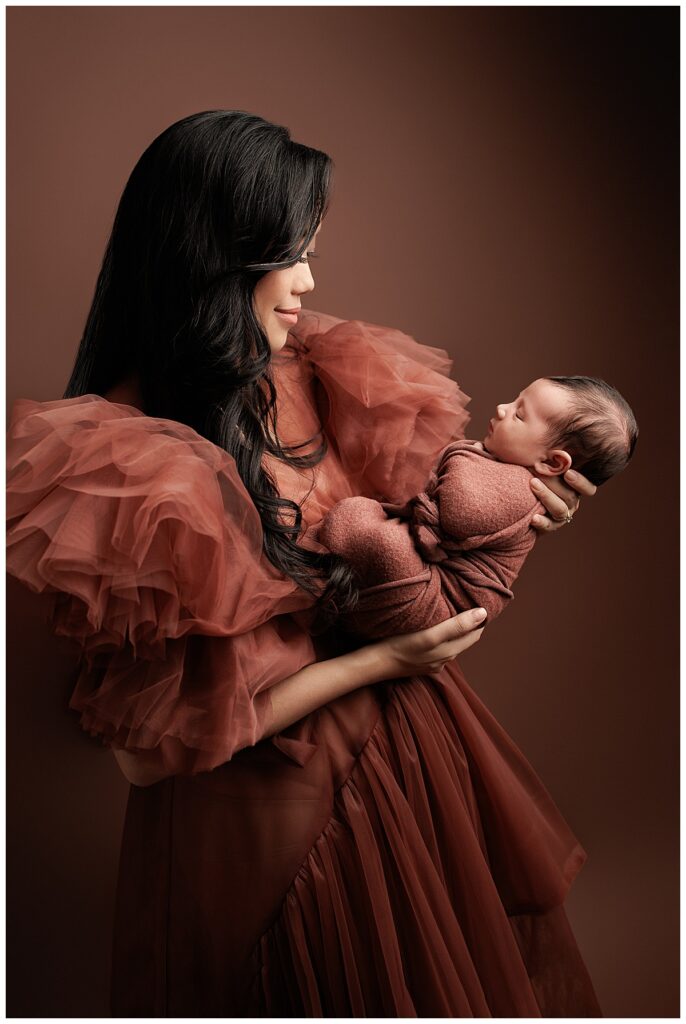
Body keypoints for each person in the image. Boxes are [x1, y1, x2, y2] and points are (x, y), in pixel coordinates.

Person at [6, 110, 603, 1016]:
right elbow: (144, 759)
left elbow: (410, 544)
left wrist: (513, 512)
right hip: (267, 829)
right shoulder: (126, 459)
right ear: (217, 254)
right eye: (291, 252)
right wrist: (381, 663)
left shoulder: (315, 368)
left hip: (403, 768)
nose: (310, 280)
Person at [317, 373, 638, 635]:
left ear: (553, 463)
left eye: (519, 414)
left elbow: (459, 514)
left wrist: (461, 453)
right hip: (424, 582)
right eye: (514, 400)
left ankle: (328, 555)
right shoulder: (500, 470)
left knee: (382, 538)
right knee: (367, 521)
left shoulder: (521, 488)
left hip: (434, 599)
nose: (501, 408)